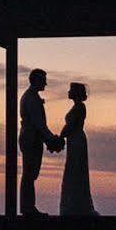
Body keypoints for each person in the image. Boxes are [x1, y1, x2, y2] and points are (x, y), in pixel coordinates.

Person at [17, 68, 63, 216]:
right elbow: (39, 124)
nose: (46, 83)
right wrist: (51, 139)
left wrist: (48, 139)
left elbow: (39, 125)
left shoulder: (31, 96)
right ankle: (27, 208)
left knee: (30, 174)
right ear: (36, 80)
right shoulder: (31, 98)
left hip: (31, 138)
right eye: (43, 80)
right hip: (31, 139)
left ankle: (28, 207)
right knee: (29, 174)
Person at [58, 82, 98, 216]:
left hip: (76, 141)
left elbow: (70, 126)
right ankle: (74, 203)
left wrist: (59, 138)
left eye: (70, 89)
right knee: (73, 170)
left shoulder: (80, 107)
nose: (68, 91)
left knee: (75, 169)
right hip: (74, 140)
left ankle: (76, 205)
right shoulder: (77, 106)